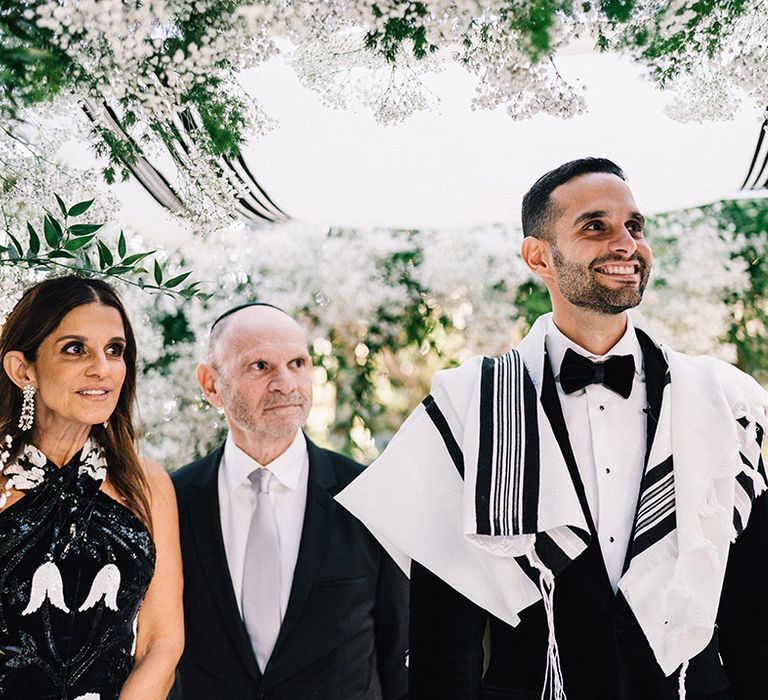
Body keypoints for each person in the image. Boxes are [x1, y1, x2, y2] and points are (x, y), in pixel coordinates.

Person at [336, 158, 768, 699]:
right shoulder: (470, 404)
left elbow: (754, 609)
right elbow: (445, 632)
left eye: (634, 226)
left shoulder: (723, 401)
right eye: (596, 226)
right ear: (539, 256)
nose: (626, 243)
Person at [171, 303, 408, 700]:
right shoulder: (172, 502)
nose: (286, 383)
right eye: (260, 366)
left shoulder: (369, 494)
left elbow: (401, 647)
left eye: (297, 363)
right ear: (211, 384)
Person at [0, 275, 183, 699]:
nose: (101, 368)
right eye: (75, 349)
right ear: (22, 368)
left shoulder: (148, 485)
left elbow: (162, 642)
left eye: (114, 350)